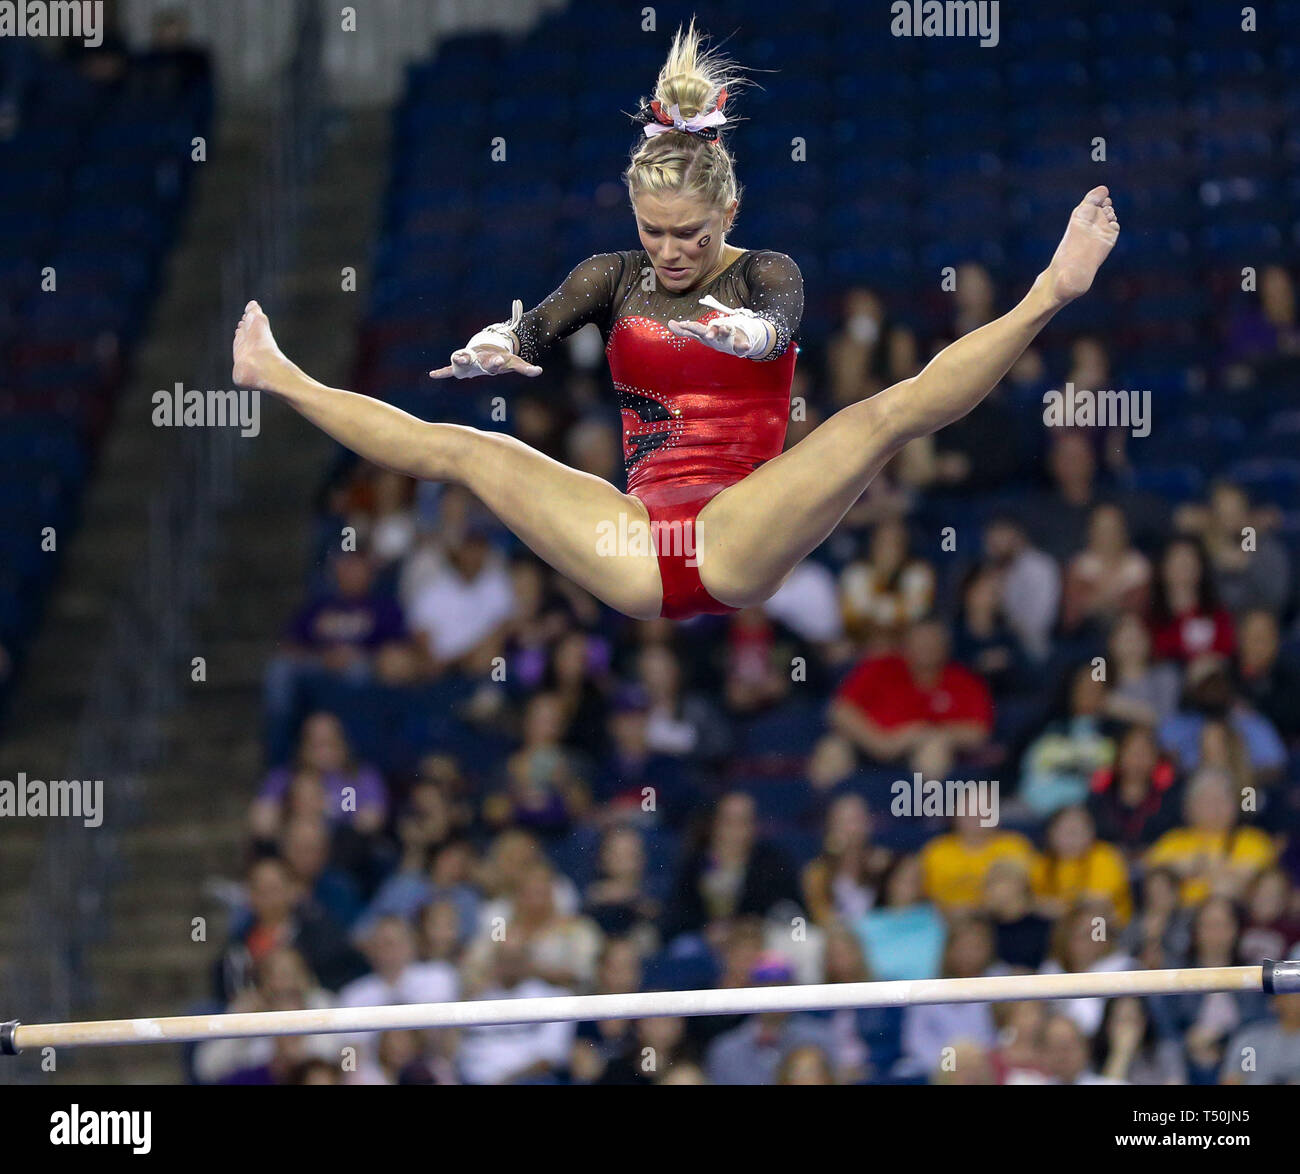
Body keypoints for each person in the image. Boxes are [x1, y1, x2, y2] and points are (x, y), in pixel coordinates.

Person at [231, 21, 1120, 624]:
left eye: (688, 233)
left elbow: (773, 328)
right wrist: (507, 345)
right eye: (652, 231)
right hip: (633, 543)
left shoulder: (768, 272)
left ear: (728, 212)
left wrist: (747, 335)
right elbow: (538, 333)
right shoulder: (611, 277)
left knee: (884, 416)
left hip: (737, 531)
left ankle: (1048, 291)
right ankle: (275, 374)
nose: (669, 251)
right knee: (465, 451)